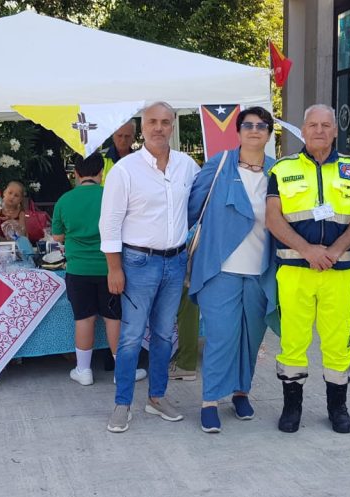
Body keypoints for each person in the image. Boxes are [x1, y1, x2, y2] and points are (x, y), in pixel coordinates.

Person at [266, 104, 350, 434]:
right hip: (295, 271)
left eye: (326, 125)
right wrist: (308, 250)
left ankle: (337, 407)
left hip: (338, 274)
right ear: (303, 129)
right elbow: (273, 218)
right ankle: (292, 408)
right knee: (293, 342)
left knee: (338, 342)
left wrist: (335, 250)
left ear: (335, 131)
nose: (319, 131)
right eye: (313, 125)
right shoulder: (282, 170)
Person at [100, 101, 198, 433]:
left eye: (165, 122)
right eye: (152, 122)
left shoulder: (187, 166)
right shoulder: (125, 170)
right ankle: (122, 403)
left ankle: (156, 397)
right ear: (142, 127)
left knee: (162, 334)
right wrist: (115, 269)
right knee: (129, 337)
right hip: (138, 262)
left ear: (173, 126)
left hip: (175, 261)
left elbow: (199, 208)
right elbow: (110, 224)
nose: (159, 127)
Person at [186, 107, 280, 433]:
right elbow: (193, 207)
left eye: (262, 126)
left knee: (252, 339)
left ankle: (241, 393)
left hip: (261, 270)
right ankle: (210, 400)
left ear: (269, 134)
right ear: (238, 131)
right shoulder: (220, 164)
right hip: (219, 269)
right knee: (221, 337)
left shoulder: (278, 172)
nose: (255, 130)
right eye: (248, 125)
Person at [51, 153, 147, 386]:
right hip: (110, 268)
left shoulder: (64, 200)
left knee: (83, 319)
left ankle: (83, 370)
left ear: (75, 173)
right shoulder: (109, 196)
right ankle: (121, 371)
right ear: (101, 173)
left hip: (77, 270)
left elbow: (58, 236)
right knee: (113, 319)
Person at [0, 168, 49, 243]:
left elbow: (22, 233)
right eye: (10, 193)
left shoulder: (20, 213)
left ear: (20, 200)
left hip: (11, 248)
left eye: (16, 195)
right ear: (4, 193)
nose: (12, 197)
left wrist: (12, 222)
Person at [101, 120, 136, 185]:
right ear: (113, 136)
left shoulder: (140, 160)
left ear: (133, 137)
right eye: (119, 136)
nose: (123, 140)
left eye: (127, 136)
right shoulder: (100, 158)